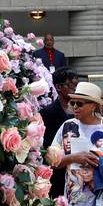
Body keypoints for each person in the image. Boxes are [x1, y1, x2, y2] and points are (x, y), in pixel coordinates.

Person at [40, 67, 78, 197]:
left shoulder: (81, 111)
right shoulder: (48, 112)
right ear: (58, 87)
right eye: (70, 85)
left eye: (76, 84)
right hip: (58, 172)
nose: (74, 88)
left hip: (79, 171)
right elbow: (47, 146)